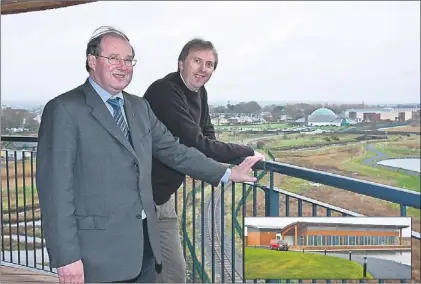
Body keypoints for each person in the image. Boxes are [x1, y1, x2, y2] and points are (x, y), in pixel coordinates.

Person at [35, 27, 263, 284]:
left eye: (128, 59)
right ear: (92, 61)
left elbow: (175, 151)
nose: (122, 66)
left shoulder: (138, 108)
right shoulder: (64, 110)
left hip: (143, 245)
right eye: (113, 58)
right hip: (98, 254)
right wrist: (66, 257)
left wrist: (228, 173)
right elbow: (55, 191)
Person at [143, 38, 266, 283]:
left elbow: (207, 134)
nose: (203, 69)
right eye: (197, 61)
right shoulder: (165, 91)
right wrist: (248, 150)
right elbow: (196, 142)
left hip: (162, 198)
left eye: (209, 64)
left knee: (174, 272)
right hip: (138, 197)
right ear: (181, 64)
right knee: (142, 271)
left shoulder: (199, 92)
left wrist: (220, 156)